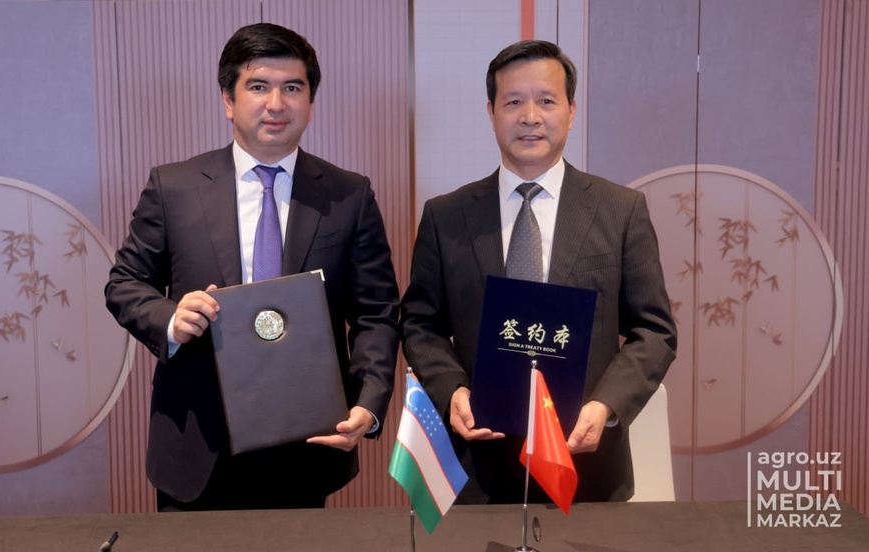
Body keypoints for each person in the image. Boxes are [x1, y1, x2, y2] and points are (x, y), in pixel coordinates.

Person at [105, 23, 400, 511]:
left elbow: (376, 313)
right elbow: (125, 283)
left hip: (307, 442)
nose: (276, 104)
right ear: (228, 99)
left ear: (310, 101)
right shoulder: (174, 187)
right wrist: (172, 319)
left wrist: (367, 404)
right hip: (197, 443)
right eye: (259, 87)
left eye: (293, 88)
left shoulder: (348, 195)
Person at [400, 39, 677, 504]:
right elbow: (419, 323)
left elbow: (655, 331)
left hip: (587, 466)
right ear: (491, 112)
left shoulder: (620, 210)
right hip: (477, 469)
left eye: (546, 101)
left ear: (571, 111)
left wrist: (605, 405)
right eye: (513, 102)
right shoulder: (446, 216)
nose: (530, 117)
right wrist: (452, 391)